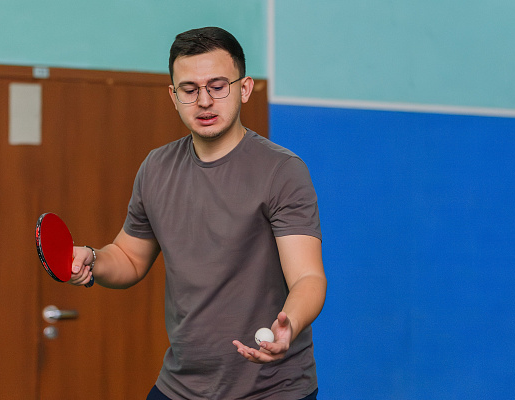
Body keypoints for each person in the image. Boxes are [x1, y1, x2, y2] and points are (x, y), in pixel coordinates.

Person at [70, 26, 327, 400]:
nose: (204, 100)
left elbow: (308, 277)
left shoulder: (282, 171)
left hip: (273, 389)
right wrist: (92, 259)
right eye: (189, 90)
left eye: (217, 86)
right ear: (173, 96)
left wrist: (291, 324)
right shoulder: (156, 168)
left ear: (244, 89)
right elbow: (128, 258)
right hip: (181, 386)